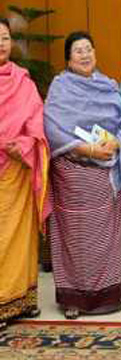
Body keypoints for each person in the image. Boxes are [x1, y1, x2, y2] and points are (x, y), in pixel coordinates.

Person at [44, 32, 121, 319]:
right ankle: (73, 299)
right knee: (76, 240)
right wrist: (88, 149)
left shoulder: (109, 86)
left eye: (89, 49)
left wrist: (115, 143)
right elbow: (52, 129)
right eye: (78, 51)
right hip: (72, 176)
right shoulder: (60, 88)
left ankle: (108, 296)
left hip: (106, 175)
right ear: (68, 59)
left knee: (106, 239)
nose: (85, 55)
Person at [0, 18, 49, 330]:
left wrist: (25, 145)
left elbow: (36, 121)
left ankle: (22, 299)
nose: (1, 44)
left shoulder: (23, 82)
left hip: (19, 168)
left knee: (20, 237)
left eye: (5, 37)